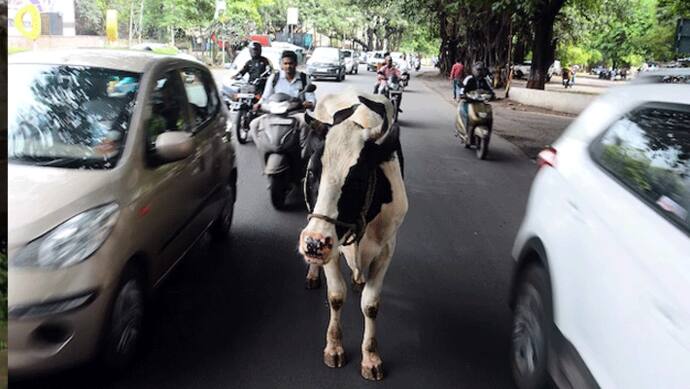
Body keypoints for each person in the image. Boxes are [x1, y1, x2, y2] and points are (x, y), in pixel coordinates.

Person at [250, 50, 316, 156]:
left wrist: (309, 103)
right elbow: (266, 96)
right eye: (285, 63)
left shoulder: (304, 78)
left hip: (295, 113)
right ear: (281, 64)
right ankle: (263, 150)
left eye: (291, 63)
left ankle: (303, 155)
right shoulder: (274, 78)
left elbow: (311, 98)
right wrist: (259, 104)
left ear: (296, 64)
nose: (288, 66)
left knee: (305, 124)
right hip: (274, 113)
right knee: (253, 125)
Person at [458, 61, 494, 129]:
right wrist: (463, 95)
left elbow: (490, 90)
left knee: (489, 116)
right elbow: (463, 88)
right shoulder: (469, 79)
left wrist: (492, 95)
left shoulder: (485, 80)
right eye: (478, 70)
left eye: (481, 70)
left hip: (481, 102)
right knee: (465, 113)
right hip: (469, 102)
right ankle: (465, 129)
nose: (479, 72)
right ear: (474, 70)